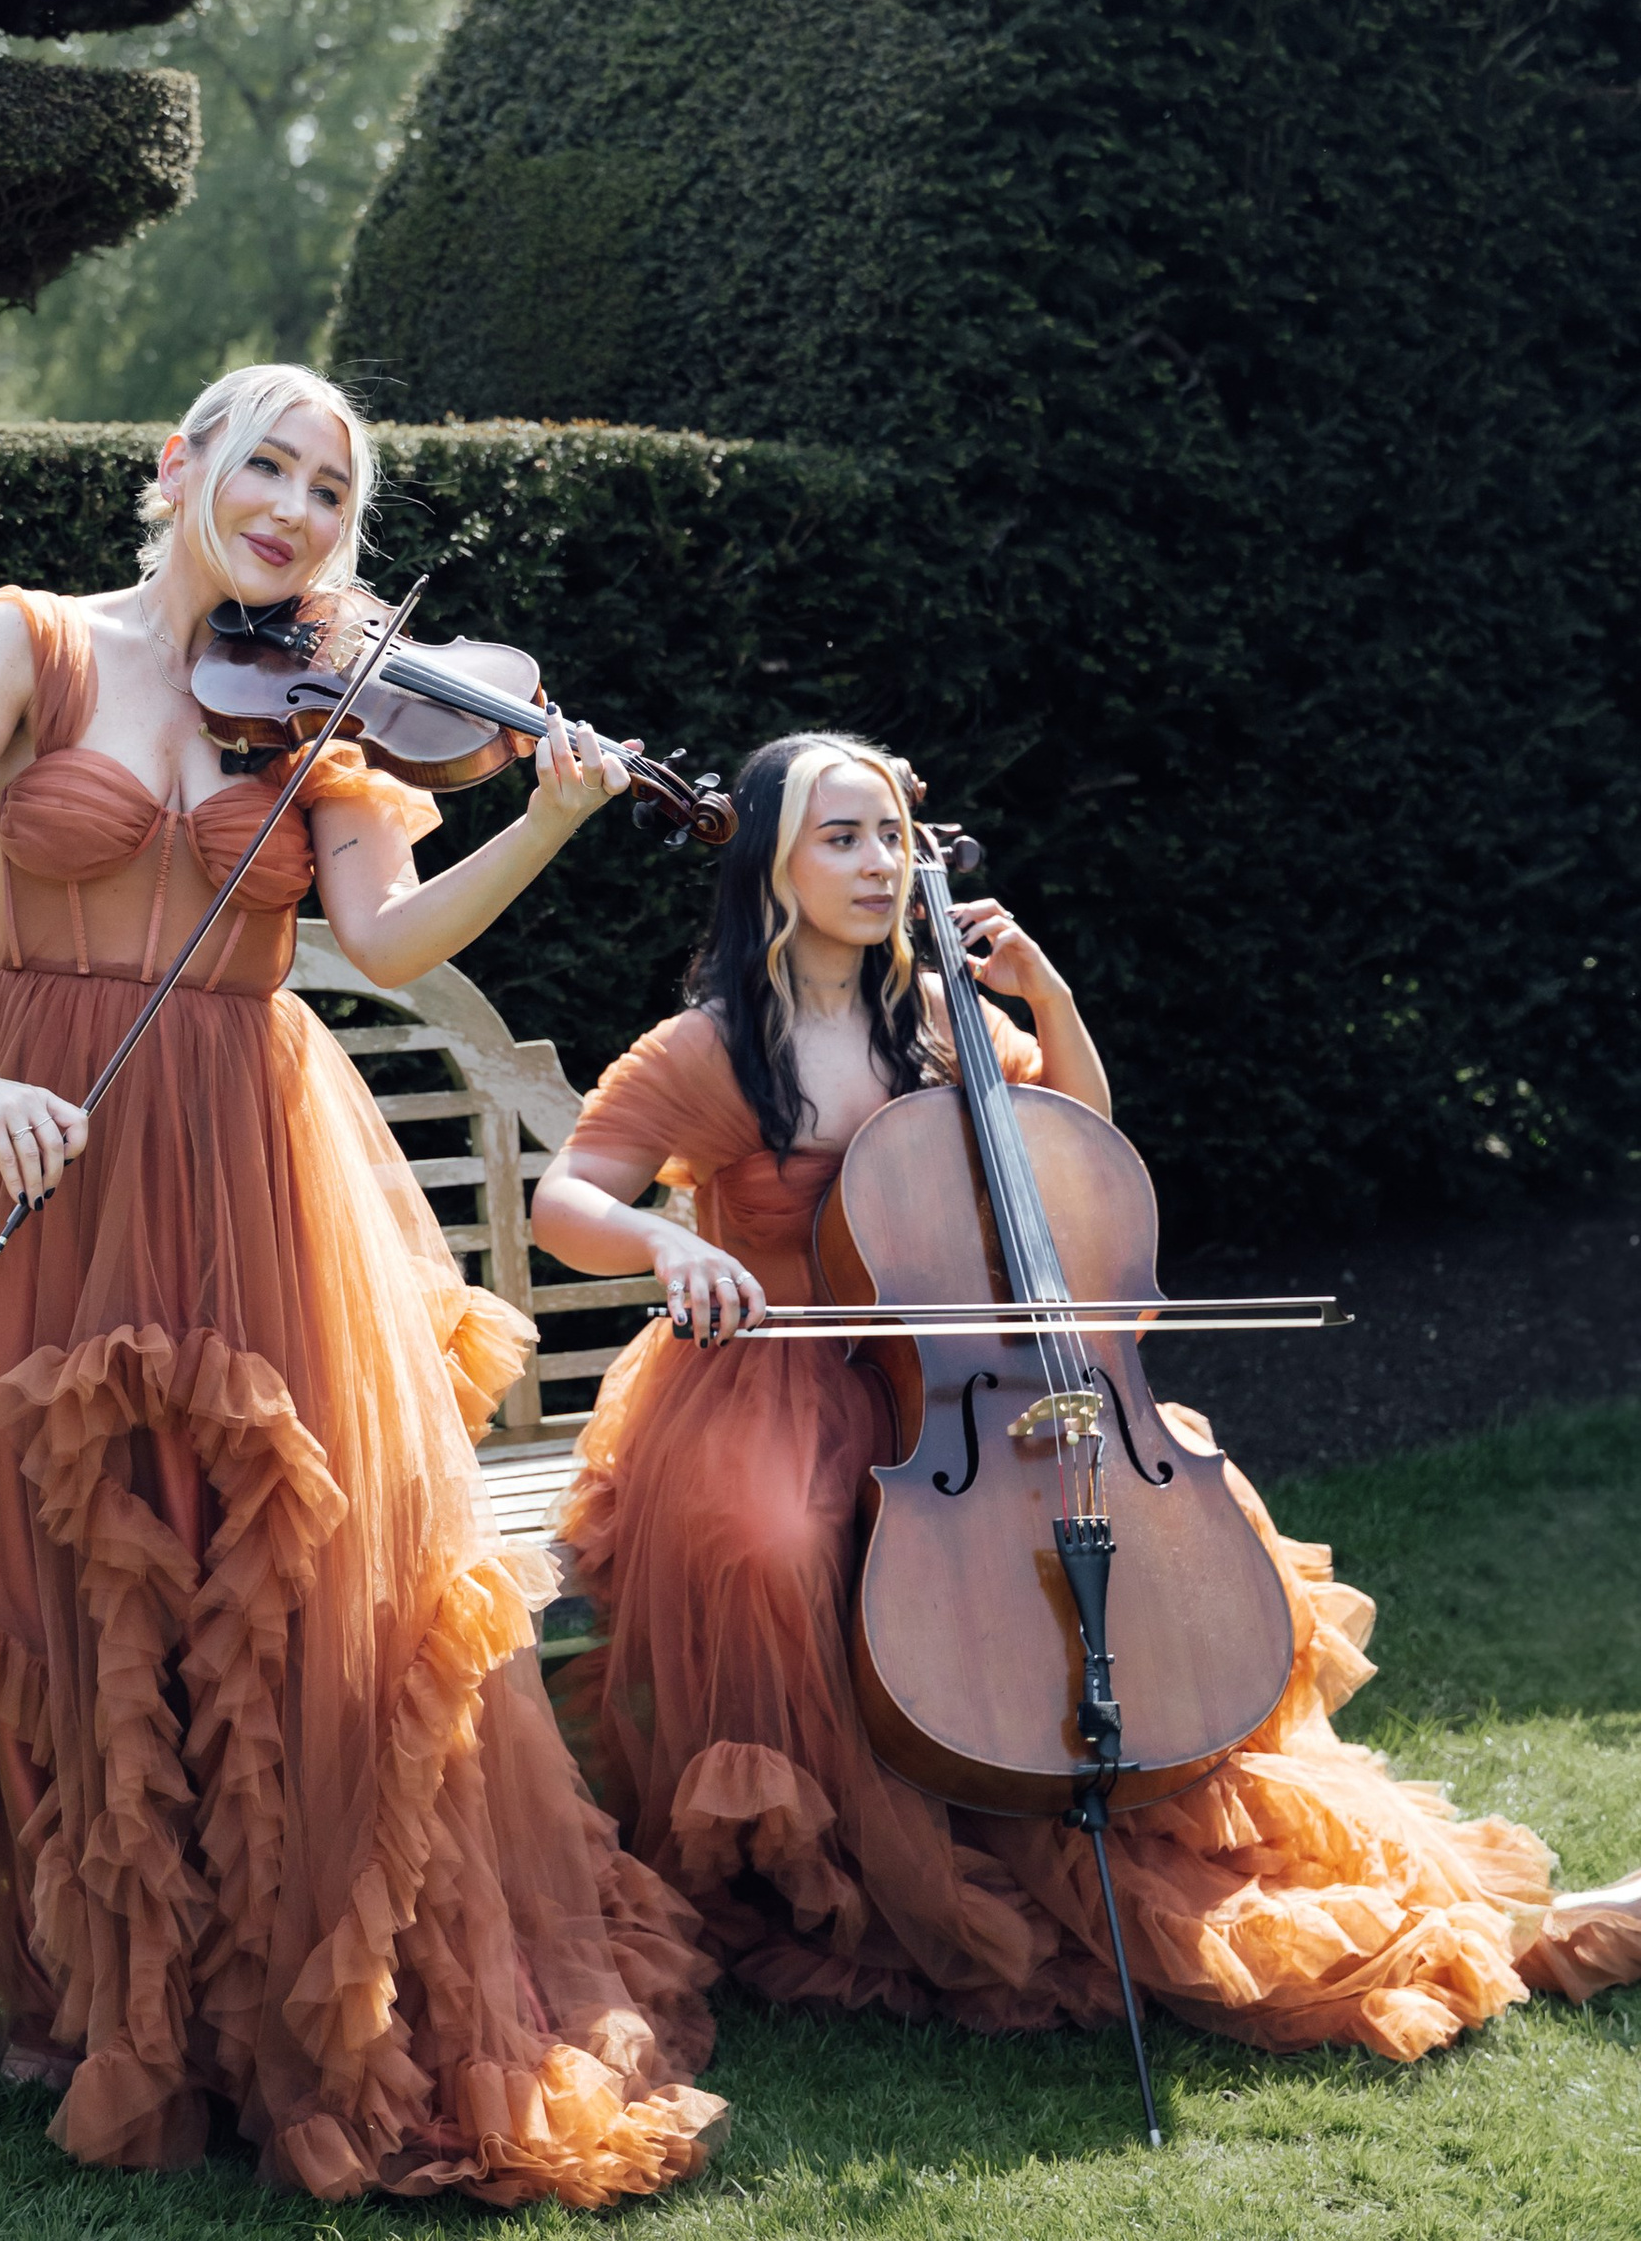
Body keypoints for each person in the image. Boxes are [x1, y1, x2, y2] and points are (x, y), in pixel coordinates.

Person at [0, 362, 725, 2201]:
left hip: (249, 1145)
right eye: (269, 467)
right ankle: (117, 1997)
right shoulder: (33, 644)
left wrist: (540, 819)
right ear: (182, 467)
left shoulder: (327, 705)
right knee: (79, 1564)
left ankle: (286, 2008)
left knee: (281, 1581)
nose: (296, 511)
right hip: (36, 1139)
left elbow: (386, 943)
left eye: (331, 490)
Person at [528, 731, 1641, 2061]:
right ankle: (831, 1860)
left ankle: (1102, 1786)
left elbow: (1074, 1146)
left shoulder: (941, 1019)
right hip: (785, 1379)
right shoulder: (708, 1050)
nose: (880, 862)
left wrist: (1047, 996)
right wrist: (671, 1242)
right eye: (842, 836)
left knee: (1183, 1491)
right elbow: (569, 1201)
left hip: (971, 1386)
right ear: (769, 859)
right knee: (772, 1543)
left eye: (892, 833)